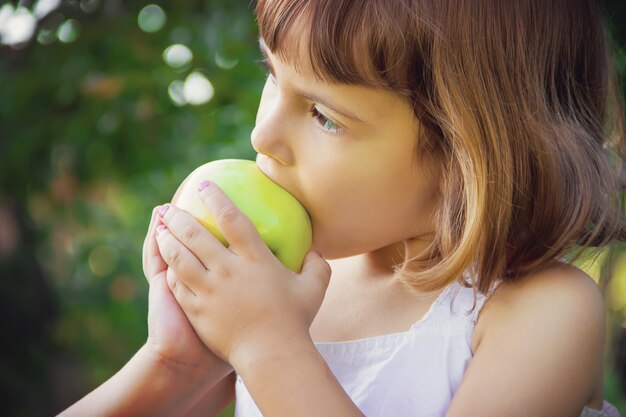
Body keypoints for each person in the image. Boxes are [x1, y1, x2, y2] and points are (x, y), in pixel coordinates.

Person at [59, 0, 626, 416]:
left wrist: (266, 344)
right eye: (270, 77)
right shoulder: (281, 286)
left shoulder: (540, 313)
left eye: (325, 115)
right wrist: (176, 365)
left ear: (469, 158)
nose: (262, 135)